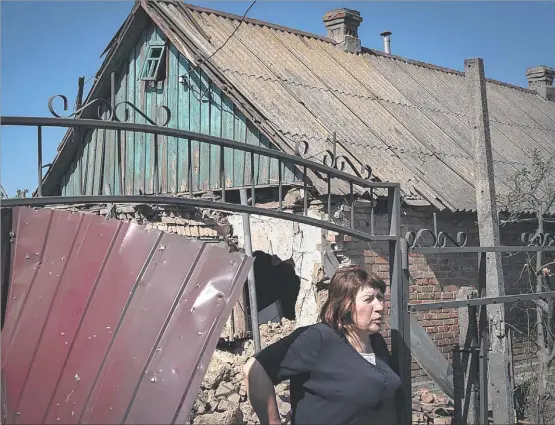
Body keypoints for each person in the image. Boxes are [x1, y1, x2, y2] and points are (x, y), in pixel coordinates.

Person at [242, 265, 402, 425]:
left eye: (380, 298)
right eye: (369, 299)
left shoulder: (376, 342)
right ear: (345, 304)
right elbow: (255, 368)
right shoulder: (319, 338)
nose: (380, 307)